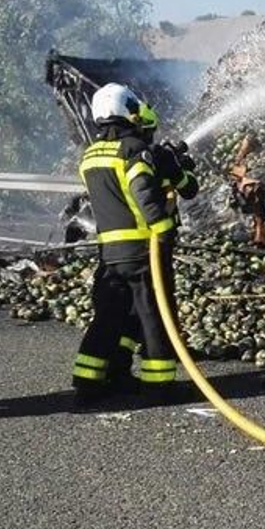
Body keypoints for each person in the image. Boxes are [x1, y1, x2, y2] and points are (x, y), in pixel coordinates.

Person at [71, 83, 200, 406]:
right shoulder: (133, 150)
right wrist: (163, 229)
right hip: (143, 251)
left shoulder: (90, 155)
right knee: (154, 317)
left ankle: (91, 379)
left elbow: (120, 193)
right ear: (124, 109)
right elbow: (142, 191)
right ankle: (159, 386)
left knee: (112, 317)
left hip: (110, 255)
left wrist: (168, 169)